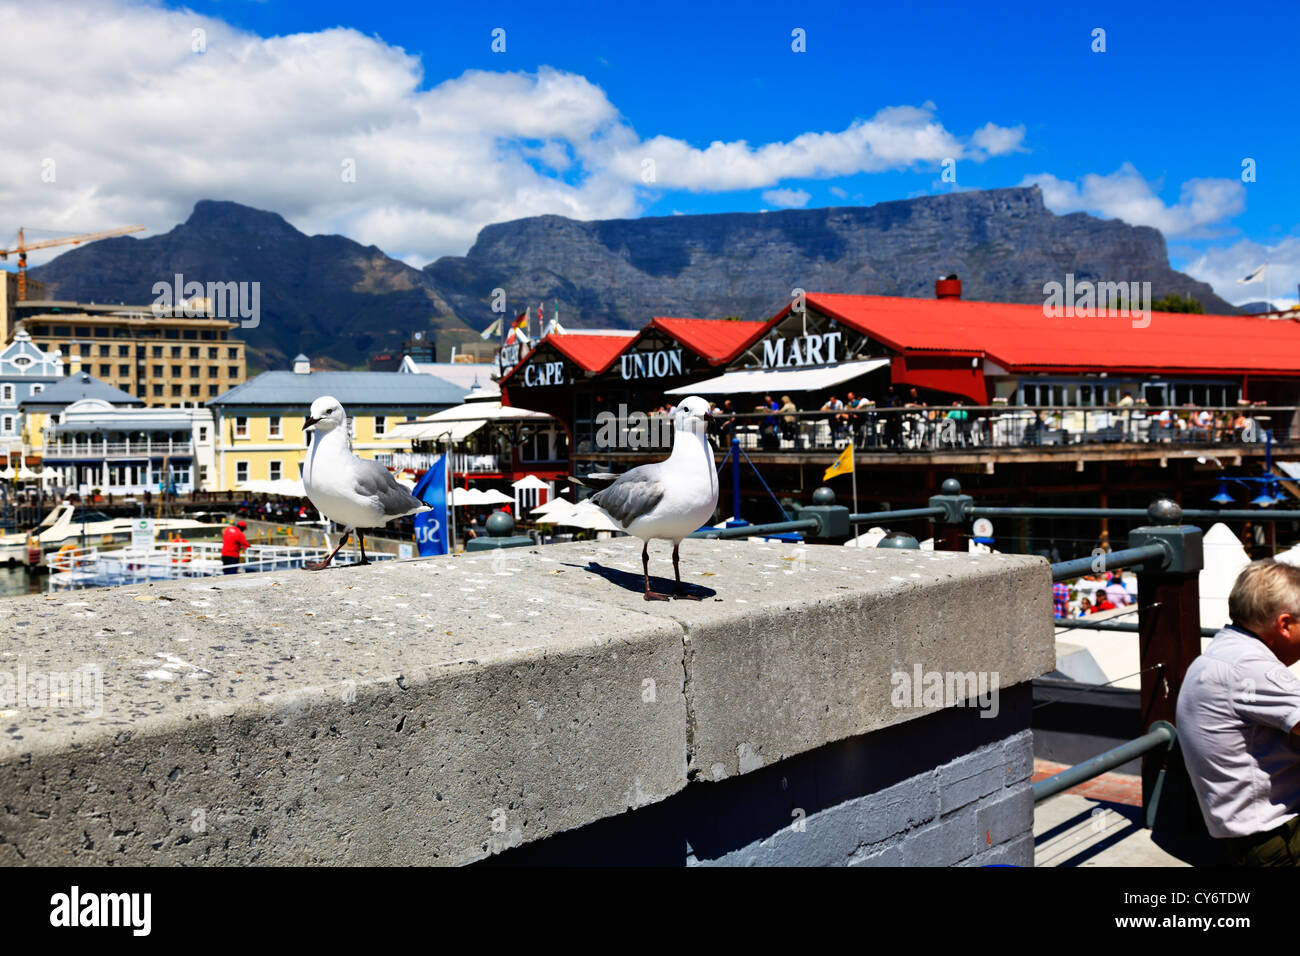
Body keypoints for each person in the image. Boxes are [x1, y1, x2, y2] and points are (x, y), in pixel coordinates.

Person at [1177, 560, 1300, 866]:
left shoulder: (1224, 652)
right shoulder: (1250, 667)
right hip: (1275, 838)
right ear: (1284, 624)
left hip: (1244, 833)